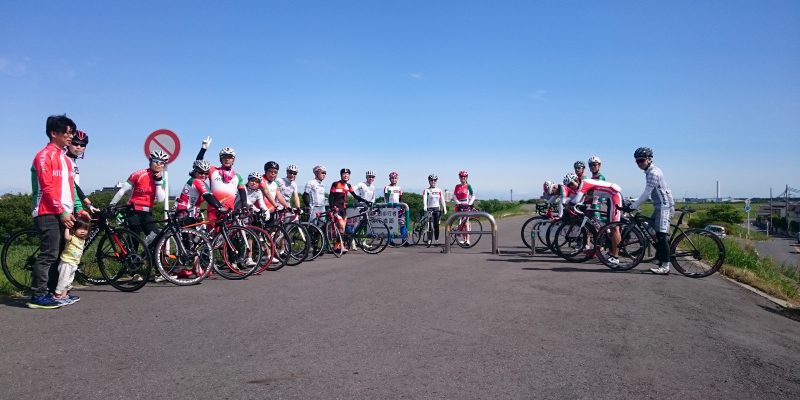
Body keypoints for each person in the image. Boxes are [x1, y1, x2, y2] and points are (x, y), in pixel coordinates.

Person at [28, 114, 83, 309]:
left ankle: (52, 293)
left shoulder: (66, 160)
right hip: (47, 211)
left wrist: (78, 209)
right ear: (54, 133)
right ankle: (38, 295)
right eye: (67, 133)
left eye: (72, 133)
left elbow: (71, 188)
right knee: (49, 254)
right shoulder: (44, 156)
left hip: (64, 212)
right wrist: (61, 212)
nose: (71, 136)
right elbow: (47, 186)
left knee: (59, 255)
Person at [630, 147, 675, 275]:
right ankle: (659, 256)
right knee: (650, 230)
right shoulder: (649, 171)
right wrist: (633, 201)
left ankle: (665, 266)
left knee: (661, 236)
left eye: (642, 160)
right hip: (660, 205)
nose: (639, 163)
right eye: (637, 161)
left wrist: (633, 206)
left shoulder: (653, 173)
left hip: (664, 206)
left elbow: (646, 193)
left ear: (649, 159)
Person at [110, 149, 169, 244]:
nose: (158, 164)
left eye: (162, 163)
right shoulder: (138, 174)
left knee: (156, 237)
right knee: (134, 238)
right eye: (155, 161)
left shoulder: (162, 181)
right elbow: (122, 191)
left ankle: (146, 252)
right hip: (133, 210)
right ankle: (130, 252)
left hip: (147, 212)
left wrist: (158, 182)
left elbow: (160, 199)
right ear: (150, 161)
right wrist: (111, 206)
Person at [563, 173, 623, 263]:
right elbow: (582, 199)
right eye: (568, 186)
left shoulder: (583, 183)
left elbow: (576, 200)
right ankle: (611, 252)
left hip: (614, 196)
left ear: (576, 180)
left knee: (614, 228)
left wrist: (567, 203)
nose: (571, 187)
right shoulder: (582, 185)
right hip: (610, 198)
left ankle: (615, 257)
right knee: (609, 227)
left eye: (571, 184)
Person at [194, 137, 248, 225]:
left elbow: (242, 192)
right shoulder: (212, 170)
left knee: (229, 233)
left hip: (229, 211)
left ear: (233, 160)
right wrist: (203, 149)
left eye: (230, 157)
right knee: (213, 233)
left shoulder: (237, 176)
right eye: (224, 157)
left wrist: (245, 206)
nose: (227, 159)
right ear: (220, 159)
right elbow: (199, 165)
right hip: (213, 210)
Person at [329, 168, 371, 252]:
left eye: (347, 174)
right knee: (341, 226)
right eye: (344, 174)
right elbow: (331, 196)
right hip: (336, 209)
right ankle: (340, 246)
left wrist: (366, 201)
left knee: (342, 229)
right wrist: (332, 207)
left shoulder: (348, 186)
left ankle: (337, 246)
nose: (346, 175)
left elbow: (355, 196)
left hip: (343, 209)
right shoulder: (335, 184)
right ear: (341, 175)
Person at [53, 216, 91, 305]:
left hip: (74, 263)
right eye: (80, 228)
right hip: (66, 262)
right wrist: (67, 228)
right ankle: (57, 295)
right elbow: (66, 237)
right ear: (74, 229)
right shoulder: (72, 237)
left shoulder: (82, 240)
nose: (82, 231)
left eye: (85, 229)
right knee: (63, 279)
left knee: (69, 280)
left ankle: (64, 295)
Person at [66, 130, 99, 214]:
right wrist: (87, 203)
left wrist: (89, 205)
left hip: (71, 204)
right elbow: (72, 185)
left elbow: (75, 187)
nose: (79, 147)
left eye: (82, 145)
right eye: (75, 143)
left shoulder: (73, 161)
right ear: (69, 143)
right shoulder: (64, 159)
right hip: (63, 207)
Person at [421, 174, 447, 245]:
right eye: (431, 180)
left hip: (437, 209)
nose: (433, 181)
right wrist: (425, 206)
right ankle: (429, 239)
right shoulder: (426, 190)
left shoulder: (439, 190)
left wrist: (444, 207)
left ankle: (436, 238)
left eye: (434, 180)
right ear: (429, 181)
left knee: (436, 225)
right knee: (429, 225)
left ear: (436, 181)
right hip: (429, 208)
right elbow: (424, 199)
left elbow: (442, 199)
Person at [452, 170, 476, 245]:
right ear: (459, 177)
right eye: (461, 176)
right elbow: (454, 196)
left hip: (466, 205)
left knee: (466, 223)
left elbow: (473, 195)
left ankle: (468, 240)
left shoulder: (468, 186)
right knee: (461, 223)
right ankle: (464, 239)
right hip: (459, 206)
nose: (463, 178)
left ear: (467, 177)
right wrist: (458, 203)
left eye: (465, 176)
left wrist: (470, 203)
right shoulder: (457, 186)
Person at [384, 171, 407, 243]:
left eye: (395, 178)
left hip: (398, 208)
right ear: (390, 179)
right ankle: (390, 241)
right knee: (390, 225)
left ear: (397, 179)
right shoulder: (387, 188)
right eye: (392, 178)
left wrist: (402, 207)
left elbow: (400, 199)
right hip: (390, 208)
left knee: (402, 223)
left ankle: (404, 240)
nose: (394, 179)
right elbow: (386, 199)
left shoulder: (399, 188)